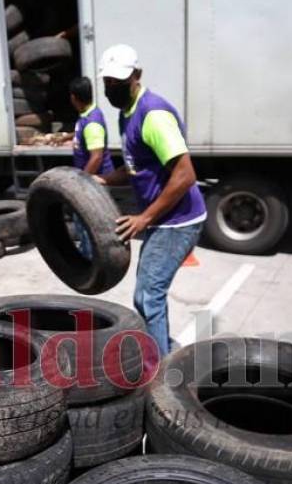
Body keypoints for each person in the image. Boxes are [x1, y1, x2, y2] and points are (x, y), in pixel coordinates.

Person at [94, 44, 205, 360]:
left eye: (119, 81)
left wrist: (143, 218)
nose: (112, 88)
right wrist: (101, 180)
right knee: (146, 296)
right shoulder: (125, 115)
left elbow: (185, 176)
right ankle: (166, 352)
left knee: (148, 296)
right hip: (162, 219)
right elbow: (135, 166)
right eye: (108, 83)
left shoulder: (152, 115)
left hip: (179, 221)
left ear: (137, 75)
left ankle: (158, 373)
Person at [67, 77, 113, 259]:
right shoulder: (87, 114)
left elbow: (96, 156)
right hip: (90, 180)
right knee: (83, 223)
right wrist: (67, 137)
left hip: (94, 182)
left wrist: (80, 183)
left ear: (73, 98)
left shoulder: (92, 123)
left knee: (88, 224)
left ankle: (89, 260)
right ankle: (88, 255)